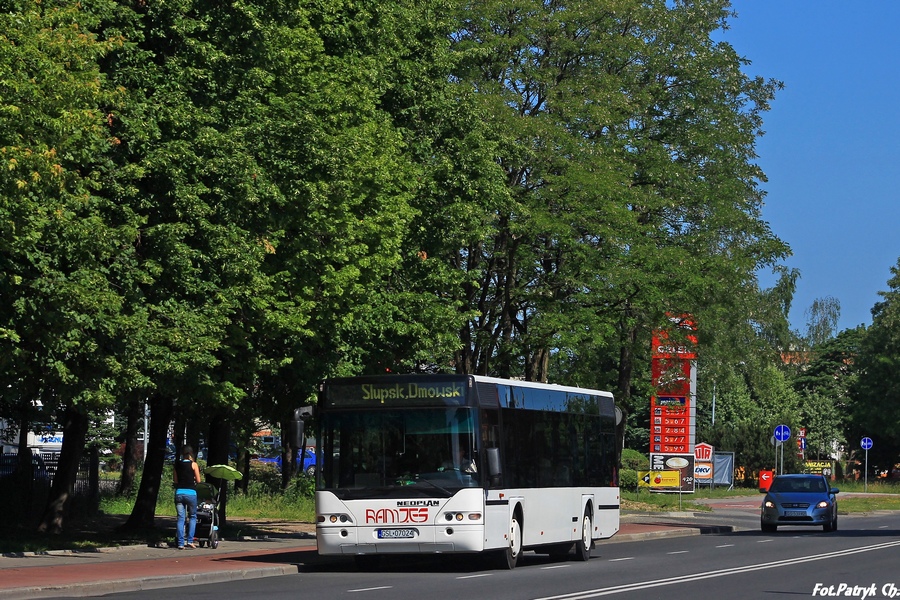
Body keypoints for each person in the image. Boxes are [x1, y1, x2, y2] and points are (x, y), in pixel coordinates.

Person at [173, 445, 202, 549]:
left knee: (181, 518)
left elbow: (175, 481)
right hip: (191, 493)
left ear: (182, 453)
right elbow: (198, 481)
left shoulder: (177, 465)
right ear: (191, 454)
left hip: (179, 493)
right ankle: (190, 540)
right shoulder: (194, 465)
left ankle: (180, 543)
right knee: (193, 517)